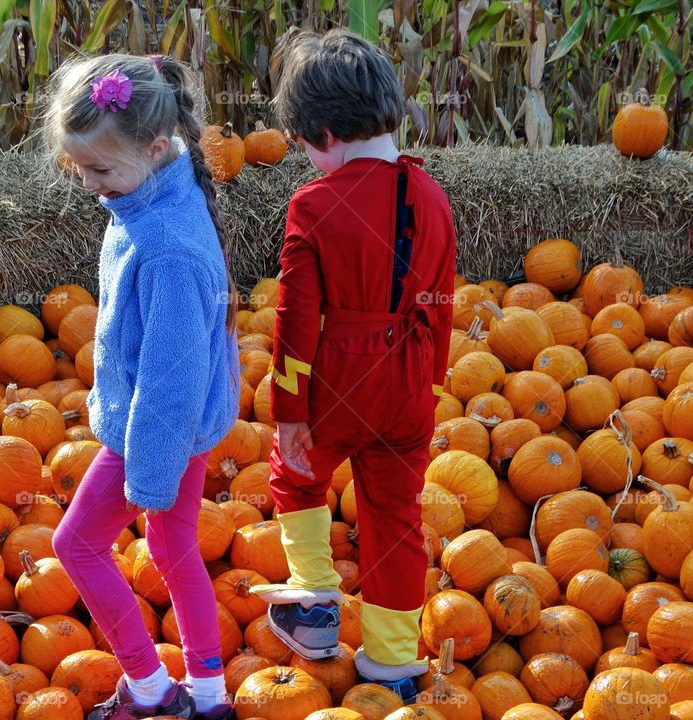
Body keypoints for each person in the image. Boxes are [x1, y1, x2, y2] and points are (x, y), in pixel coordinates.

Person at [249, 29, 458, 702]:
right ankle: (394, 666)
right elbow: (444, 296)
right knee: (395, 519)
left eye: (307, 145)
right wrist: (431, 378)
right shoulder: (432, 194)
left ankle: (312, 605)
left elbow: (295, 320)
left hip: (340, 375)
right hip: (410, 379)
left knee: (298, 474)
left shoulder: (313, 204)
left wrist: (289, 415)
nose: (310, 160)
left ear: (327, 132)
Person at [45, 52, 240, 720]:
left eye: (100, 170)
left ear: (156, 147)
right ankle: (210, 696)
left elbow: (171, 378)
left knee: (75, 545)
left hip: (153, 432)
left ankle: (153, 690)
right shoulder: (159, 189)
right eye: (82, 169)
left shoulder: (167, 249)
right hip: (181, 429)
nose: (92, 185)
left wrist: (149, 477)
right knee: (173, 547)